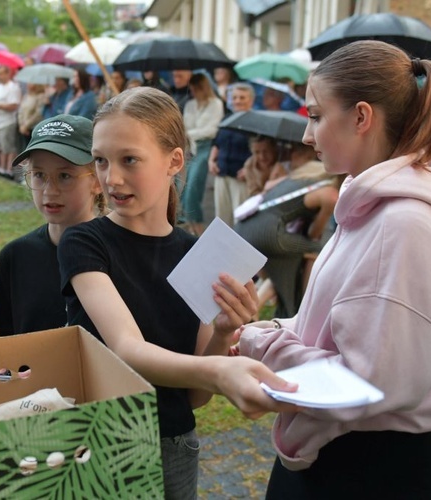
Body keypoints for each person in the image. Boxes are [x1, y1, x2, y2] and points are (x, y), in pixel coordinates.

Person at [57, 87, 298, 499]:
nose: (111, 178)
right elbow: (127, 349)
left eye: (129, 159)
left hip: (173, 444)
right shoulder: (84, 243)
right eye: (100, 160)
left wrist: (223, 333)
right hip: (99, 439)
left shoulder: (199, 255)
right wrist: (221, 371)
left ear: (174, 161)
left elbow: (194, 398)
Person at [238, 41, 431, 499]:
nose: (307, 136)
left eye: (315, 116)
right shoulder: (370, 209)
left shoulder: (401, 223)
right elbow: (335, 328)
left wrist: (264, 342)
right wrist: (274, 328)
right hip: (339, 453)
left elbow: (375, 380)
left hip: (364, 467)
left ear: (361, 117)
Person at [0, 114, 104, 336]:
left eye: (65, 175)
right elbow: (6, 351)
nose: (49, 190)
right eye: (39, 175)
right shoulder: (15, 257)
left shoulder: (118, 253)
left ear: (98, 181)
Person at [234, 142, 338, 317]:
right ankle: (306, 305)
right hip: (270, 234)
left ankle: (256, 308)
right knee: (316, 251)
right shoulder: (329, 193)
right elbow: (314, 234)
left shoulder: (299, 177)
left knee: (285, 265)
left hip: (246, 226)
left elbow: (268, 188)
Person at [181, 72, 224, 236]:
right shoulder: (191, 104)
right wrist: (191, 133)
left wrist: (191, 133)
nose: (192, 92)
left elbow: (212, 130)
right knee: (184, 188)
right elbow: (185, 126)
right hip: (191, 147)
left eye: (195, 89)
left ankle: (198, 228)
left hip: (206, 146)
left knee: (193, 188)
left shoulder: (216, 103)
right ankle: (191, 227)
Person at [208, 82, 255, 227]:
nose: (238, 101)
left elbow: (260, 151)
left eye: (242, 98)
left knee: (240, 219)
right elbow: (217, 142)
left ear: (251, 100)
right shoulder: (226, 119)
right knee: (221, 218)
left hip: (240, 177)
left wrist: (249, 169)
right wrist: (211, 161)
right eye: (234, 97)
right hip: (222, 173)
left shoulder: (255, 123)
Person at [0, 64, 22, 179]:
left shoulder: (13, 87)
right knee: (1, 147)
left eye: (1, 74)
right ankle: (2, 167)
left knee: (8, 147)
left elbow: (14, 105)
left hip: (7, 121)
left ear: (8, 74)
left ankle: (9, 169)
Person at [17, 83, 46, 152]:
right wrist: (21, 124)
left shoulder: (40, 96)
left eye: (31, 83)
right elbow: (21, 111)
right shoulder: (26, 96)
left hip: (33, 127)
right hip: (23, 127)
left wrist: (26, 125)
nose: (28, 84)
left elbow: (38, 114)